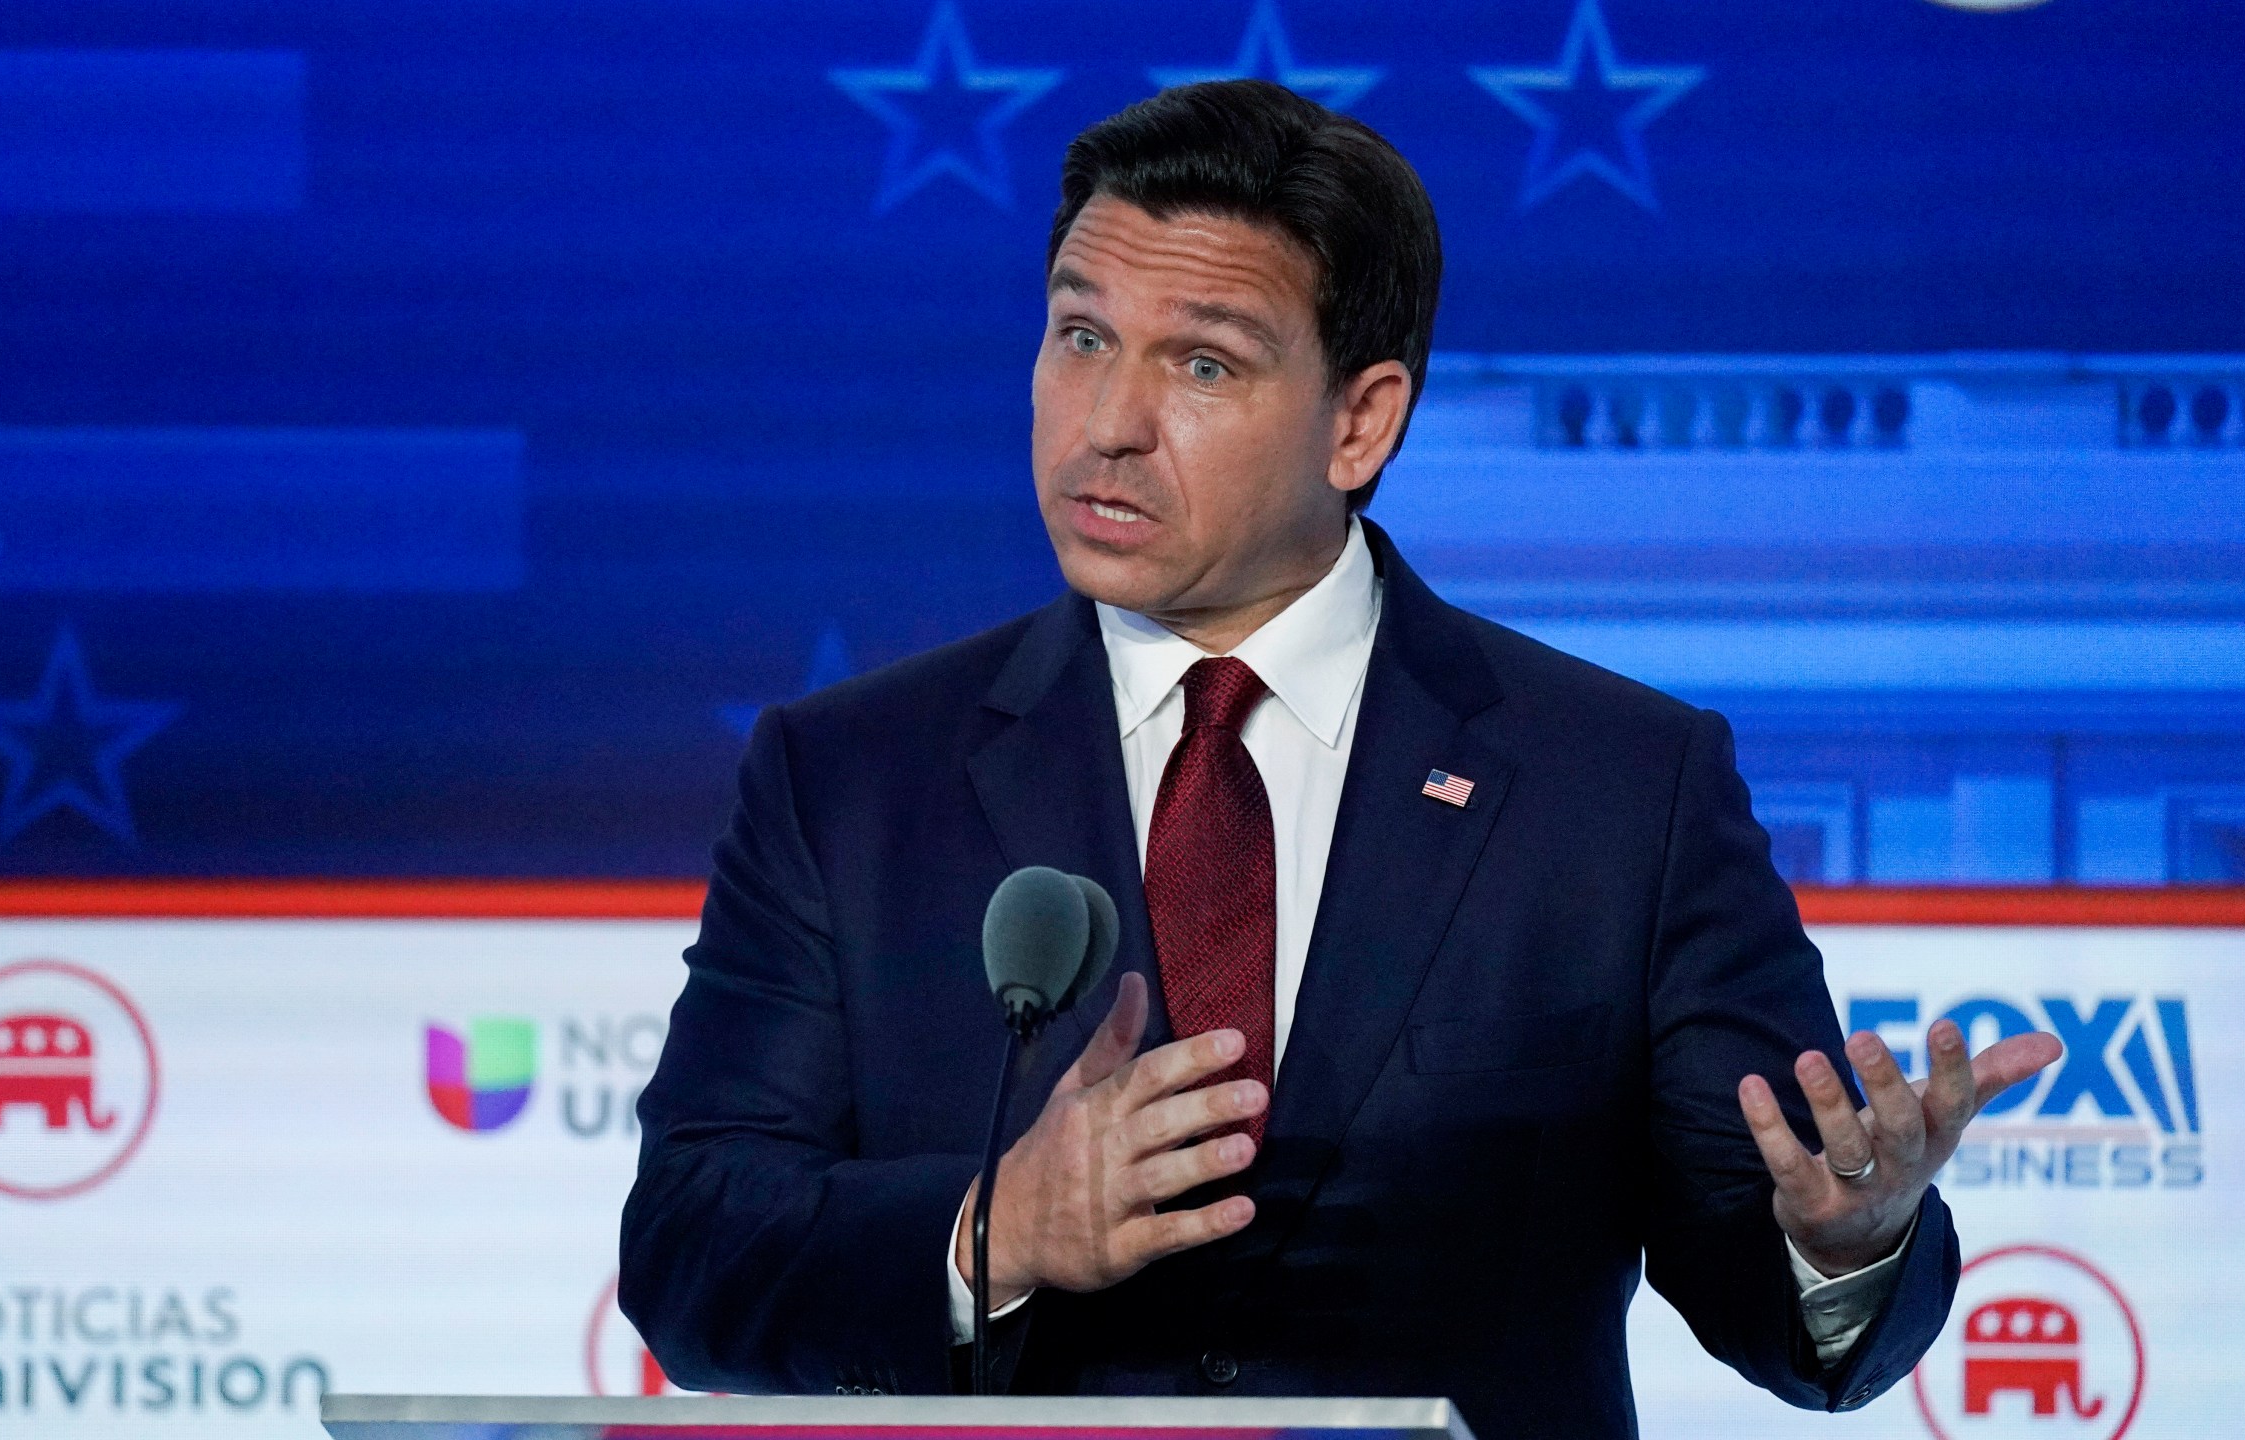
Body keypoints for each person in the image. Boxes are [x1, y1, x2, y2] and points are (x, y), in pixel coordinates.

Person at [620, 80, 2057, 1437]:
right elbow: (691, 1250)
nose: (1109, 424)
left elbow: (1766, 1271)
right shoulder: (852, 778)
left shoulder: (1620, 788)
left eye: (1202, 363)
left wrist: (1845, 1240)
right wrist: (995, 1229)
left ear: (1361, 421)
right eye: (1079, 337)